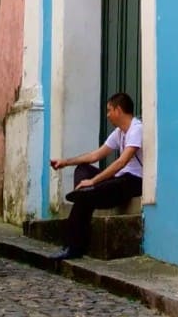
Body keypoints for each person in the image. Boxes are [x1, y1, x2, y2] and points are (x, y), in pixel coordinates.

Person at [49, 91, 142, 260]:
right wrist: (66, 162)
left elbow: (121, 163)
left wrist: (93, 181)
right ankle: (83, 194)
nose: (107, 115)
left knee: (87, 195)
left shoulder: (137, 129)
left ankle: (73, 246)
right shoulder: (119, 133)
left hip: (133, 182)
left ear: (118, 110)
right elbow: (95, 156)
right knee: (82, 169)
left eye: (109, 110)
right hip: (119, 178)